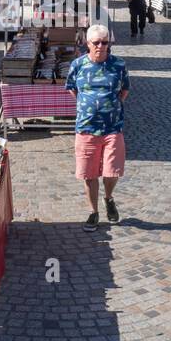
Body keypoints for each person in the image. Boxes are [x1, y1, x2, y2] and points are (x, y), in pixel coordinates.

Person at [65, 24, 130, 231]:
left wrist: (110, 107)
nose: (101, 46)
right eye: (97, 43)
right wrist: (87, 106)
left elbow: (125, 90)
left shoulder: (119, 65)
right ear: (88, 44)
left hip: (113, 127)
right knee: (89, 173)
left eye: (105, 42)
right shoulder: (77, 65)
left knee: (112, 171)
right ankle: (93, 212)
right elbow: (72, 89)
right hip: (86, 128)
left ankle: (108, 197)